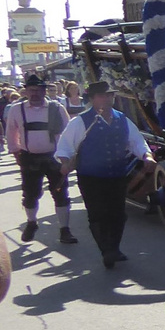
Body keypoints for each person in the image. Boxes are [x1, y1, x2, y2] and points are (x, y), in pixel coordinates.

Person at [54, 81, 155, 269]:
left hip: (117, 175)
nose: (106, 99)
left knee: (117, 214)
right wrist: (65, 162)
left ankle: (114, 247)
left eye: (109, 95)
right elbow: (65, 147)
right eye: (101, 95)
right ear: (92, 99)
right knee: (98, 214)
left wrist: (146, 156)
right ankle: (106, 250)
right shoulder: (80, 122)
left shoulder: (122, 119)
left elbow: (136, 142)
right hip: (91, 177)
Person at [4, 73, 75, 243]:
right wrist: (16, 154)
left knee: (60, 193)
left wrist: (67, 157)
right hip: (29, 158)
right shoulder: (16, 109)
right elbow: (11, 133)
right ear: (25, 92)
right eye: (31, 90)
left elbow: (67, 133)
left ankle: (65, 230)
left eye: (38, 90)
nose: (34, 93)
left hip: (54, 157)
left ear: (44, 91)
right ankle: (31, 222)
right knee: (30, 194)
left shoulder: (57, 108)